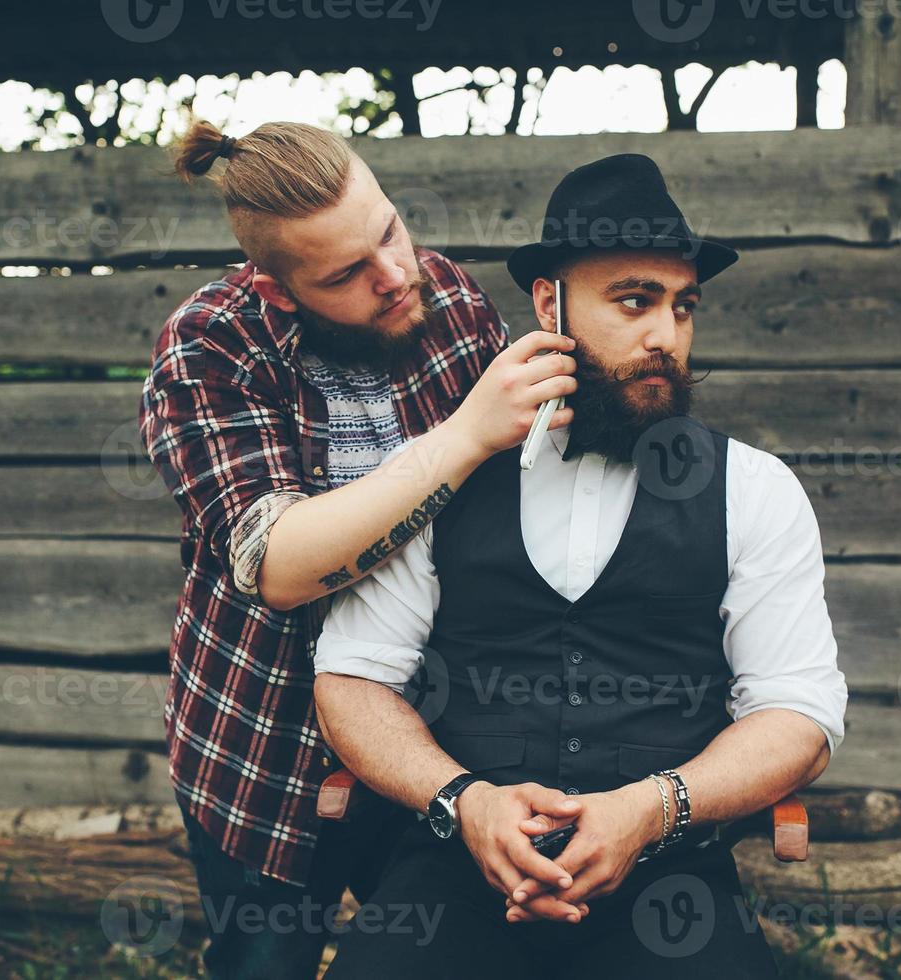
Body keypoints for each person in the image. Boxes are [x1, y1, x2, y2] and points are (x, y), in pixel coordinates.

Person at [312, 153, 849, 979]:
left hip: (668, 881)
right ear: (548, 302)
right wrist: (468, 803)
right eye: (634, 301)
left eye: (683, 307)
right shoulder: (442, 476)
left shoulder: (756, 491)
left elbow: (799, 714)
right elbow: (352, 682)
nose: (665, 336)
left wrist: (650, 809)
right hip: (457, 875)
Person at [138, 119, 579, 979]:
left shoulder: (447, 299)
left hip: (426, 742)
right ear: (277, 287)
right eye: (346, 273)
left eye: (389, 230)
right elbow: (280, 564)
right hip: (263, 750)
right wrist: (464, 437)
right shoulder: (208, 346)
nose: (394, 275)